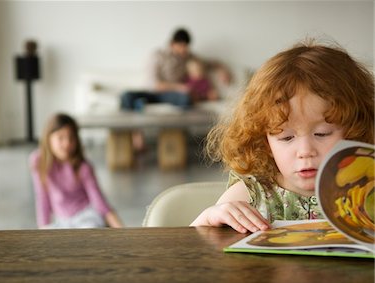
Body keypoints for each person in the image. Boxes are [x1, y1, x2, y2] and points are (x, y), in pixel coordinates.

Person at [190, 40, 374, 233]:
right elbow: (189, 251)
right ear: (265, 142)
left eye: (322, 133)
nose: (305, 152)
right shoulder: (252, 195)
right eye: (286, 138)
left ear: (355, 129)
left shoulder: (368, 189)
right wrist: (209, 218)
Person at [29, 113, 123, 229]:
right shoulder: (38, 161)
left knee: (88, 231)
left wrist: (123, 232)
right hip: (62, 221)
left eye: (71, 137)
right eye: (60, 137)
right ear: (48, 139)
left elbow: (100, 203)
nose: (67, 143)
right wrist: (42, 231)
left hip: (86, 217)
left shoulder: (83, 167)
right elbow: (43, 200)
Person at [120, 27, 230, 111]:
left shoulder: (188, 57)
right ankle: (138, 113)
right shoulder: (157, 55)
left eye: (186, 47)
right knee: (126, 96)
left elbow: (210, 63)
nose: (184, 50)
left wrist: (222, 70)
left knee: (186, 99)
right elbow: (153, 84)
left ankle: (141, 105)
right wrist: (180, 87)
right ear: (172, 44)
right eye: (181, 46)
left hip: (171, 96)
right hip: (152, 93)